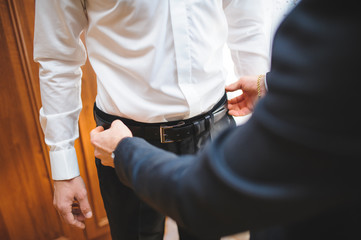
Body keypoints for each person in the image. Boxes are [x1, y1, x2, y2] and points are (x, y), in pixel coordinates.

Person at [89, 0, 361, 239]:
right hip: (124, 126)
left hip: (196, 128)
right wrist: (267, 83)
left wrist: (122, 151)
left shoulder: (336, 27)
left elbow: (203, 198)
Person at [33, 0, 271, 239]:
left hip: (213, 129)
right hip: (123, 139)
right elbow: (57, 57)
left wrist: (267, 119)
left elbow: (246, 21)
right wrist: (64, 167)